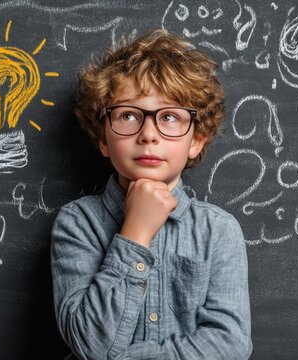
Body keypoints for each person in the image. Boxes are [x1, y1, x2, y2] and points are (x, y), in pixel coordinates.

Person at [51, 29, 252, 359]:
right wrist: (136, 233)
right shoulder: (77, 223)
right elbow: (90, 344)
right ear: (103, 138)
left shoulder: (219, 232)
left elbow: (229, 345)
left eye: (169, 117)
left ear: (197, 139)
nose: (148, 135)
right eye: (128, 115)